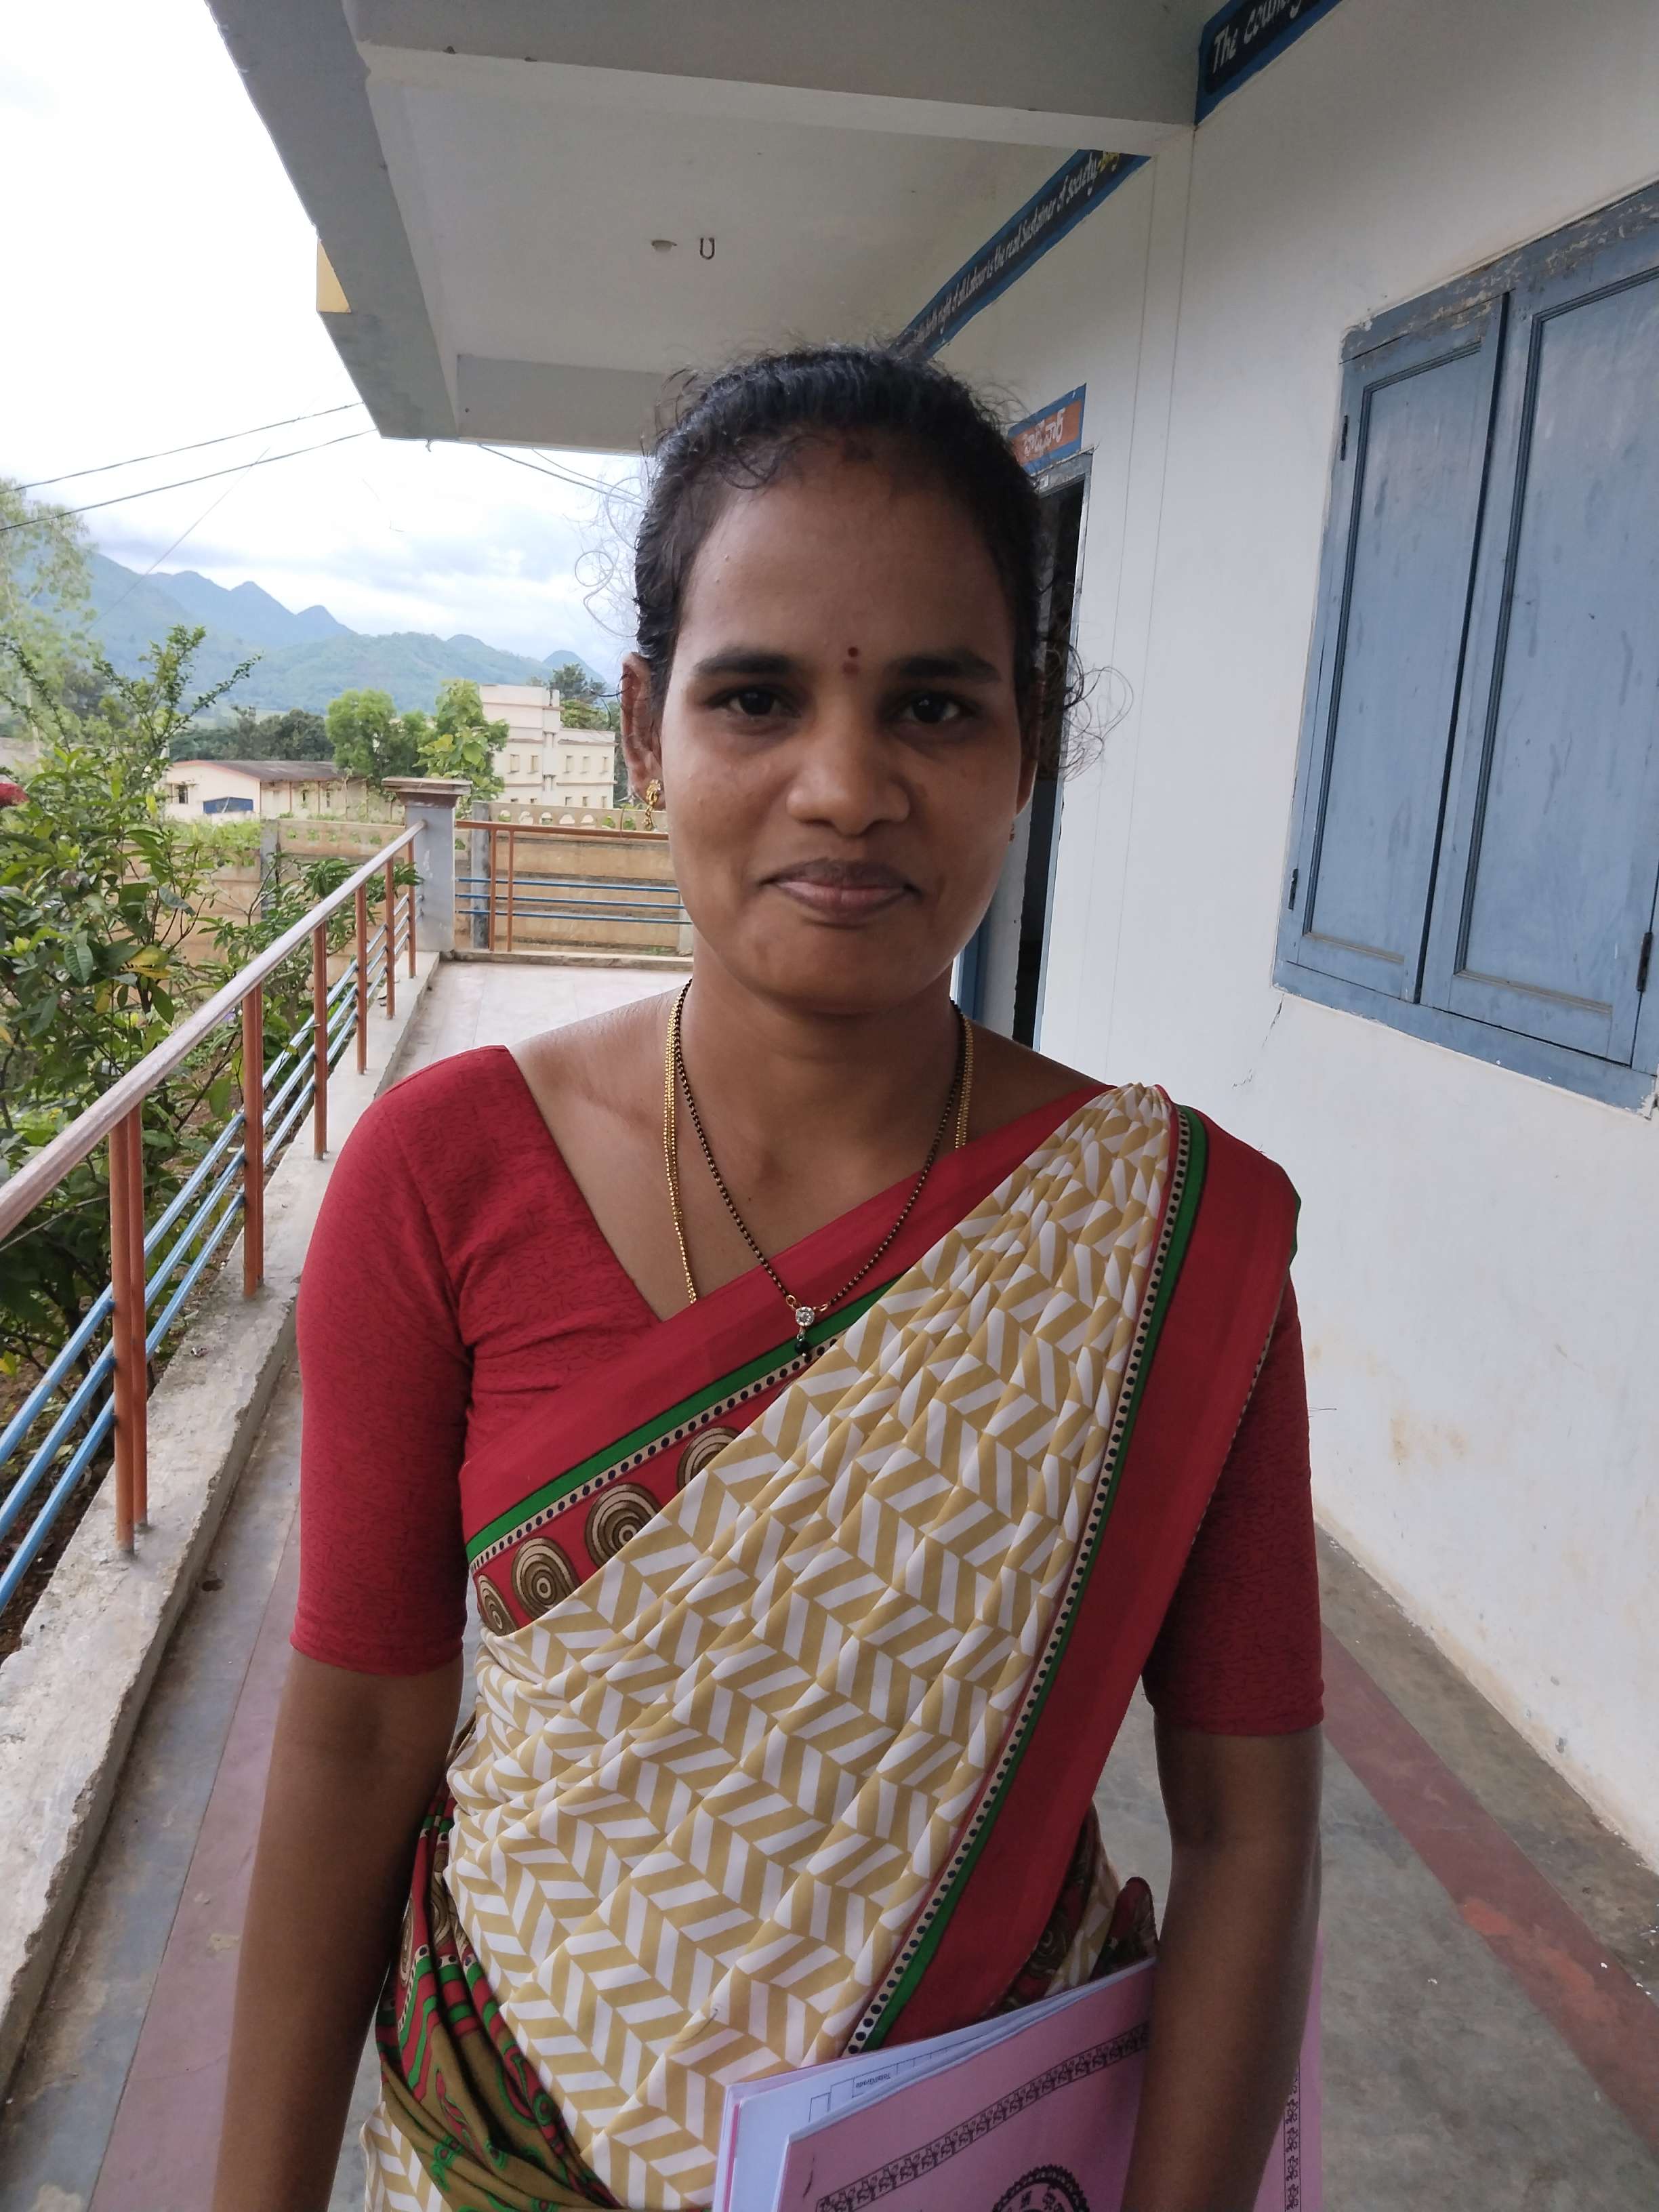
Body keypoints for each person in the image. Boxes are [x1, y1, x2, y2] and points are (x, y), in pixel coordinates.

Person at [213, 345, 1322, 2212]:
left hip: (969, 2166)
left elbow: (1252, 1828)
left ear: (1029, 745)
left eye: (935, 707)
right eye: (757, 697)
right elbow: (359, 1733)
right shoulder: (446, 1177)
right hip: (499, 2155)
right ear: (647, 731)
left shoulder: (1168, 1240)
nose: (845, 785)